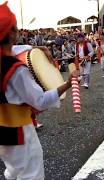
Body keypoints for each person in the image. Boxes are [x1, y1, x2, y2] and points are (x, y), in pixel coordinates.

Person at [0, 2, 76, 179]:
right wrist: (66, 84)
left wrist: (36, 49)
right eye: (15, 29)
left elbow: (18, 49)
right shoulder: (16, 70)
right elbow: (40, 101)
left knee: (13, 172)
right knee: (31, 174)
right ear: (10, 34)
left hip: (2, 131)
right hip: (19, 131)